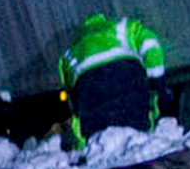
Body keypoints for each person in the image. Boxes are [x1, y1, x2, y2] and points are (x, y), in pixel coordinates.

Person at [57, 12, 170, 142]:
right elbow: (149, 41)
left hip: (89, 86)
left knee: (98, 134)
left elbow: (73, 102)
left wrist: (83, 148)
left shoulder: (70, 52)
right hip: (126, 73)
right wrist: (157, 79)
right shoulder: (122, 27)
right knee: (138, 124)